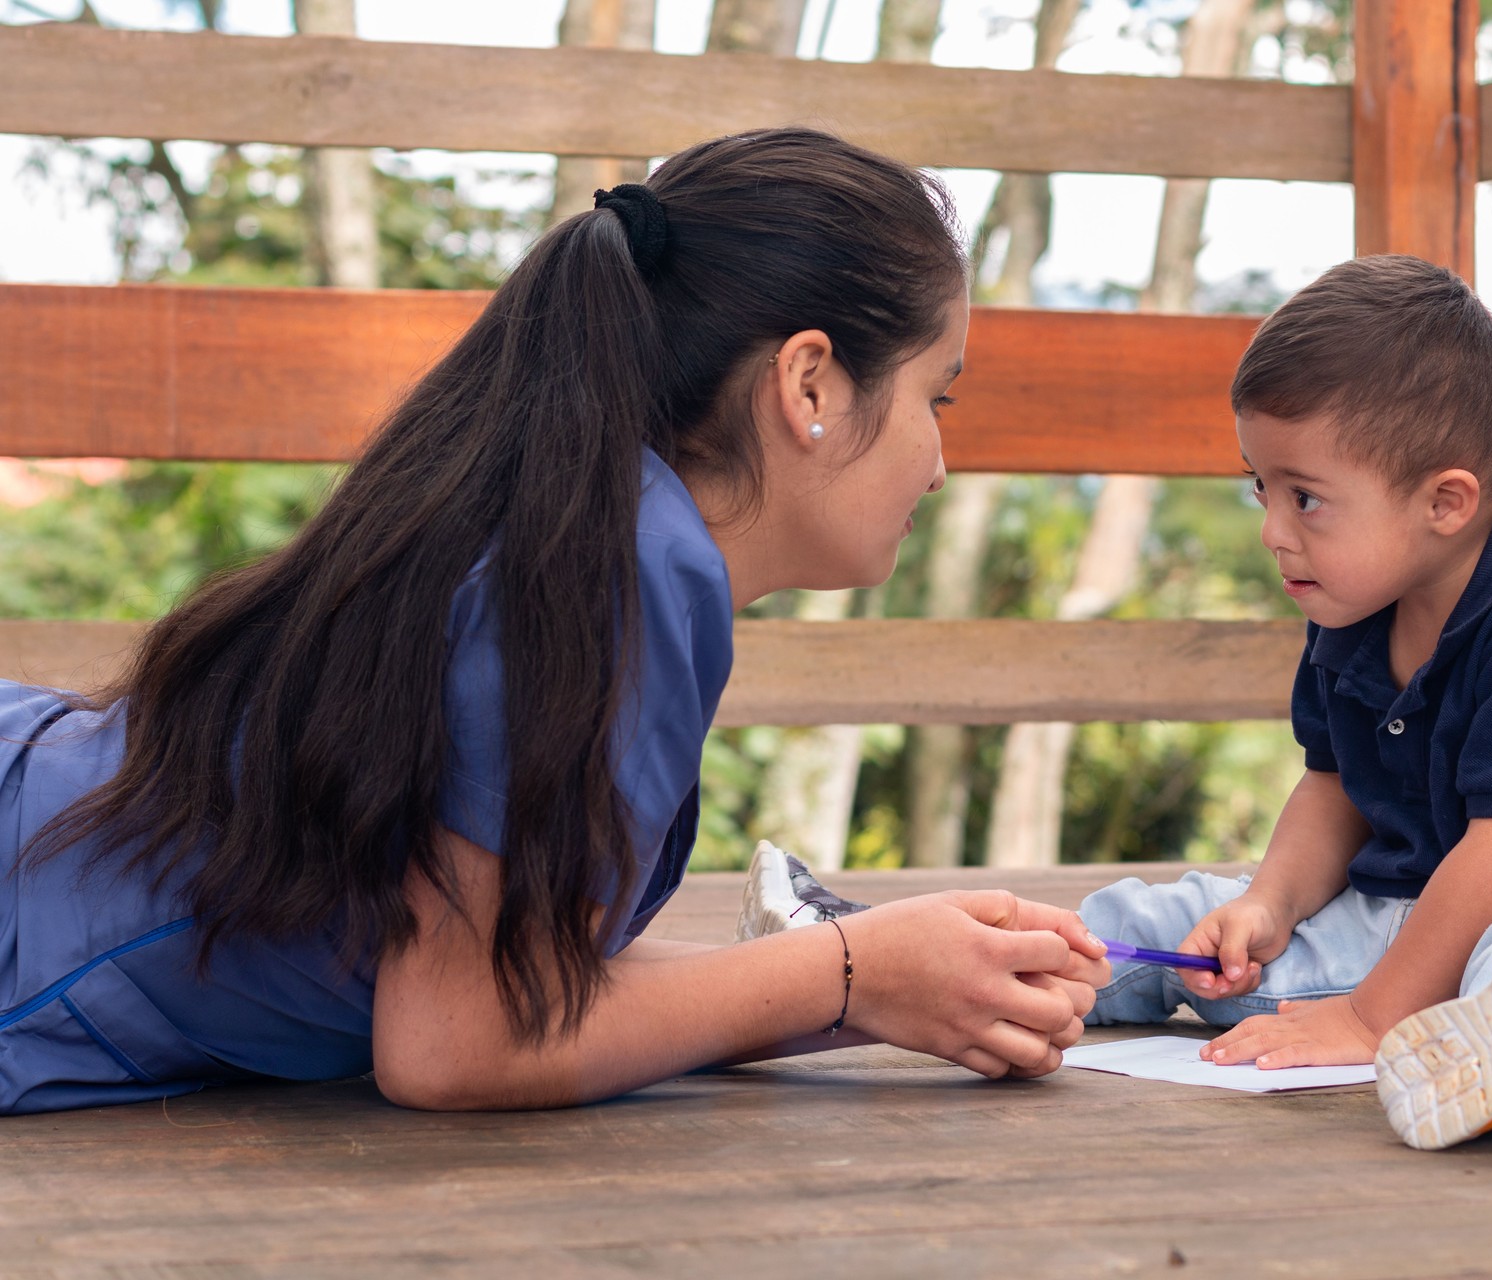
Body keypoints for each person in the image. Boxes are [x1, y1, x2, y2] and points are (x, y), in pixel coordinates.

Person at [0, 128, 1107, 1117]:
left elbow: (522, 976)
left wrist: (877, 986)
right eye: (937, 396)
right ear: (809, 383)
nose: (942, 461)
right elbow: (455, 1040)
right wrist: (853, 968)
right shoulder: (625, 565)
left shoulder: (592, 523)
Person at [744, 255, 1492, 1152]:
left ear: (1446, 500)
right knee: (1179, 917)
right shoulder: (1357, 590)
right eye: (1257, 488)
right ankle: (873, 956)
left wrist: (1364, 1018)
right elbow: (1333, 787)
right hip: (1402, 907)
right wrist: (1266, 901)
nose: (1273, 530)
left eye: (1302, 495)